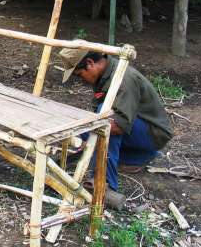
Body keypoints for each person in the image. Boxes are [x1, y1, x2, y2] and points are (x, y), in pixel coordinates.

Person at [59, 48, 173, 207]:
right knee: (92, 125)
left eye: (79, 74)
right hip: (138, 129)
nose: (81, 80)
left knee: (104, 120)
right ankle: (139, 157)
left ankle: (106, 184)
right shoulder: (106, 73)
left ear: (90, 63)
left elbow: (117, 126)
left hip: (153, 133)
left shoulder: (123, 78)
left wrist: (83, 130)